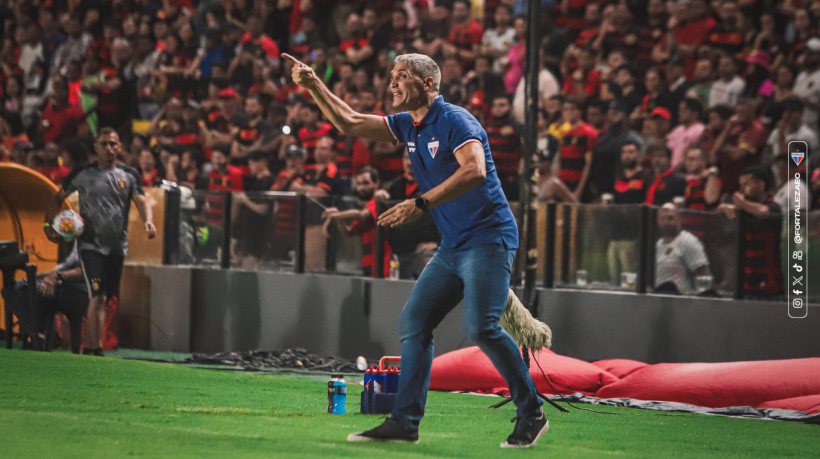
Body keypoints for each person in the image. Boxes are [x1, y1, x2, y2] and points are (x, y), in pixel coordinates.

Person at [284, 52, 547, 448]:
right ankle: (404, 423)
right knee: (414, 323)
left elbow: (474, 170)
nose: (392, 84)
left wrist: (419, 203)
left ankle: (532, 412)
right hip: (455, 245)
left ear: (427, 84)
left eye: (402, 76)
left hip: (488, 238)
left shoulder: (456, 120)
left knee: (481, 328)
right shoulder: (408, 125)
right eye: (392, 76)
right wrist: (313, 85)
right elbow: (350, 122)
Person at [43, 128, 156, 356]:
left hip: (116, 248)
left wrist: (149, 221)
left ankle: (96, 347)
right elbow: (57, 198)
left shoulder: (130, 175)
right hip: (90, 246)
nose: (109, 149)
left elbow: (141, 202)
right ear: (96, 147)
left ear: (120, 147)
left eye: (113, 144)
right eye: (104, 144)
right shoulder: (82, 174)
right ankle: (92, 349)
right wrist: (49, 225)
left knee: (105, 297)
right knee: (96, 294)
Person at [654, 203, 711, 294]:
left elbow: (703, 276)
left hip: (682, 300)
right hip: (661, 299)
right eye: (662, 219)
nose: (666, 222)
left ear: (678, 219)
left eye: (670, 218)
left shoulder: (688, 241)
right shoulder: (659, 244)